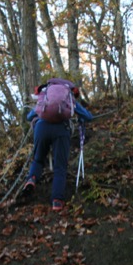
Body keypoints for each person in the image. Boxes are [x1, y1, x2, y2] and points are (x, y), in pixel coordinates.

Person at [22, 81, 93, 211]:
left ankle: (32, 178)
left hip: (41, 128)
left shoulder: (45, 96)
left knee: (38, 159)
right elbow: (88, 117)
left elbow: (29, 116)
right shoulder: (68, 97)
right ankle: (57, 201)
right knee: (60, 166)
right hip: (61, 129)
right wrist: (83, 117)